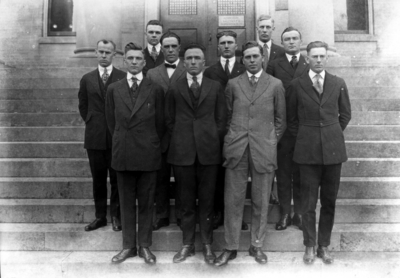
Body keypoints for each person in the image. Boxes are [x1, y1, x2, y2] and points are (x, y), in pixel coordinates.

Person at [215, 41, 286, 266]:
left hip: (263, 149)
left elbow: (280, 120)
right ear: (242, 60)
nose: (252, 61)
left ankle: (257, 244)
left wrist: (270, 140)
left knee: (261, 199)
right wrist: (230, 139)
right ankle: (231, 246)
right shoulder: (233, 84)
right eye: (247, 57)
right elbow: (226, 117)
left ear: (262, 58)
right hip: (237, 148)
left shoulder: (275, 84)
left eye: (256, 56)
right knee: (233, 199)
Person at [286, 41, 351, 265]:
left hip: (333, 152)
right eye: (314, 56)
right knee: (308, 203)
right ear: (307, 58)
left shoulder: (338, 83)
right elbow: (291, 120)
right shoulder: (296, 85)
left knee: (329, 202)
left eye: (322, 56)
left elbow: (345, 115)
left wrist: (330, 135)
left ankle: (324, 246)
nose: (319, 60)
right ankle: (309, 246)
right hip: (307, 153)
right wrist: (308, 137)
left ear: (327, 57)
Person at [165, 43, 226, 264]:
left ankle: (208, 245)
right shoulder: (175, 87)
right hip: (183, 154)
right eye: (189, 58)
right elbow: (169, 120)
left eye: (197, 58)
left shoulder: (215, 86)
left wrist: (208, 140)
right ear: (184, 61)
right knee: (186, 201)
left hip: (209, 153)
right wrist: (184, 141)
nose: (192, 62)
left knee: (208, 201)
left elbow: (222, 120)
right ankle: (187, 244)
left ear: (204, 62)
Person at [106, 42, 165, 265]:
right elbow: (111, 123)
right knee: (126, 202)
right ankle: (128, 246)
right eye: (129, 58)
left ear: (144, 62)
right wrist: (124, 140)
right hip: (124, 153)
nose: (133, 62)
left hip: (148, 152)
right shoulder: (114, 89)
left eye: (138, 59)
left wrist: (149, 142)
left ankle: (145, 246)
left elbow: (161, 123)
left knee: (148, 202)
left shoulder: (155, 88)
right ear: (124, 61)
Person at [203, 30, 248, 231]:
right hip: (215, 130)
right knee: (216, 175)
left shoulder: (244, 69)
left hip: (239, 129)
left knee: (236, 177)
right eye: (223, 43)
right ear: (218, 47)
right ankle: (217, 213)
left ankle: (236, 217)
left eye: (230, 42)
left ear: (236, 45)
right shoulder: (209, 71)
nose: (227, 46)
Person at [78, 39, 124, 232]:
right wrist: (91, 120)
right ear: (96, 53)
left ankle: (116, 216)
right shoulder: (87, 78)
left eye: (108, 52)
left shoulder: (122, 76)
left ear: (114, 54)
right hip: (95, 136)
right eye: (101, 52)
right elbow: (83, 105)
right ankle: (100, 217)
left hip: (117, 136)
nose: (104, 55)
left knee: (116, 178)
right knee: (98, 179)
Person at [267, 27, 309, 231]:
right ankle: (284, 213)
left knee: (301, 173)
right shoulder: (274, 65)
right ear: (282, 43)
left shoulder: (309, 63)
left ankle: (299, 213)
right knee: (283, 174)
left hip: (303, 129)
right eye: (287, 39)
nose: (291, 42)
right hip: (283, 128)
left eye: (295, 38)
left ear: (301, 41)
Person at [147, 31, 186, 231]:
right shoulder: (152, 73)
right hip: (159, 134)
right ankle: (161, 215)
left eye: (174, 46)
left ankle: (181, 215)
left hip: (183, 134)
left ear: (179, 48)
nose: (170, 50)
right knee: (160, 177)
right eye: (166, 46)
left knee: (182, 177)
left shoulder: (190, 69)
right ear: (161, 49)